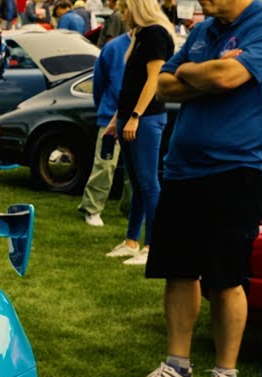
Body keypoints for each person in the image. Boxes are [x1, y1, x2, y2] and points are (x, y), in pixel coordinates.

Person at [126, 0, 262, 377]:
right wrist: (206, 73)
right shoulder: (202, 31)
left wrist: (196, 73)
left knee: (225, 277)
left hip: (239, 167)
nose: (200, 1)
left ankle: (224, 374)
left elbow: (228, 77)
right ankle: (177, 366)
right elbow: (162, 83)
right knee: (178, 270)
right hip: (183, 167)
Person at [103, 0, 174, 267]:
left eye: (124, 9)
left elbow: (153, 81)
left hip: (145, 118)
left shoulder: (155, 33)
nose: (121, 15)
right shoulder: (140, 35)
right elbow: (131, 85)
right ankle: (132, 241)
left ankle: (152, 245)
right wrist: (116, 120)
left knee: (148, 183)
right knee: (136, 184)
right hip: (128, 117)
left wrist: (135, 116)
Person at [79, 32, 130, 228]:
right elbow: (99, 82)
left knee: (135, 168)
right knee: (105, 164)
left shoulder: (149, 44)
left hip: (138, 116)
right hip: (110, 114)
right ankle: (92, 208)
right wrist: (105, 109)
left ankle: (131, 208)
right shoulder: (114, 47)